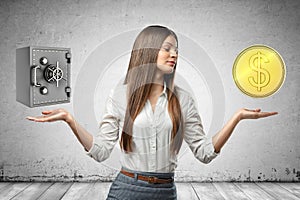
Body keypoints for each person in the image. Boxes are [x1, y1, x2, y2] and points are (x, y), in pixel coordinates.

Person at [27, 25, 277, 200]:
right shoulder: (120, 95)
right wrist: (70, 120)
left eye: (176, 49)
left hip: (166, 191)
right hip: (126, 189)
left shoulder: (183, 100)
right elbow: (102, 151)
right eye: (167, 48)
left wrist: (237, 118)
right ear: (148, 50)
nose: (174, 55)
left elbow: (204, 153)